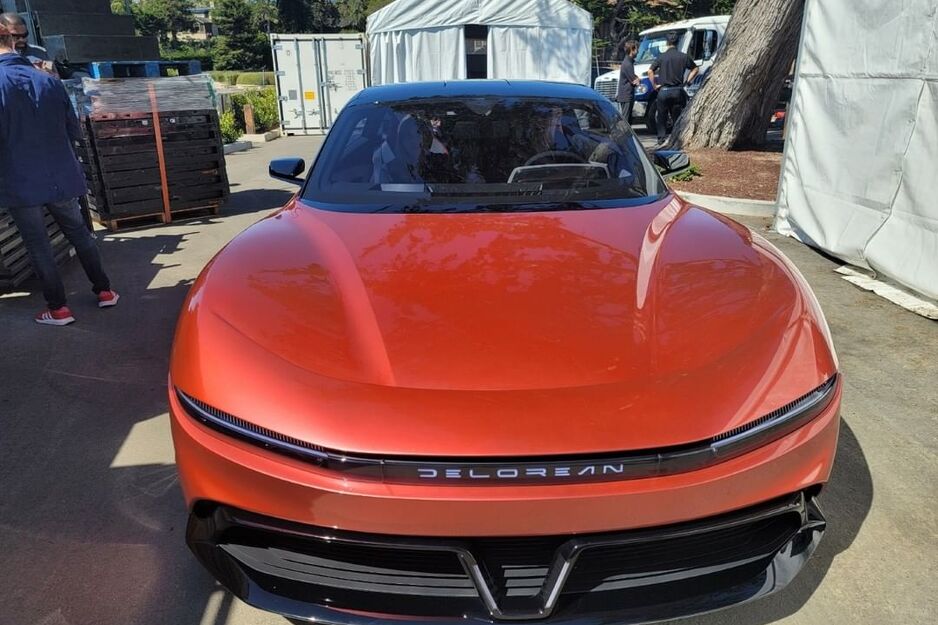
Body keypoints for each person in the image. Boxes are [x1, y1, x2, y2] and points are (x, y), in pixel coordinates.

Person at [0, 22, 119, 326]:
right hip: (61, 176)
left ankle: (59, 309)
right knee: (79, 233)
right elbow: (74, 131)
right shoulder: (49, 80)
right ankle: (105, 291)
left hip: (20, 180)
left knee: (38, 245)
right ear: (12, 42)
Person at [647, 31, 699, 145]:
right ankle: (677, 139)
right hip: (677, 91)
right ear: (678, 42)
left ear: (667, 43)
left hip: (663, 91)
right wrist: (688, 82)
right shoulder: (683, 56)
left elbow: (650, 71)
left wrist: (654, 85)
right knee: (677, 117)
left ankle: (661, 139)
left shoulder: (661, 57)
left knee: (662, 117)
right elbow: (695, 69)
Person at [616, 40, 640, 123]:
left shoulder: (629, 62)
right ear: (632, 50)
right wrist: (638, 79)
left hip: (627, 95)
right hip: (626, 96)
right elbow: (634, 81)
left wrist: (636, 78)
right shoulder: (628, 64)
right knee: (626, 120)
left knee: (628, 119)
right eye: (636, 49)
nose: (638, 51)